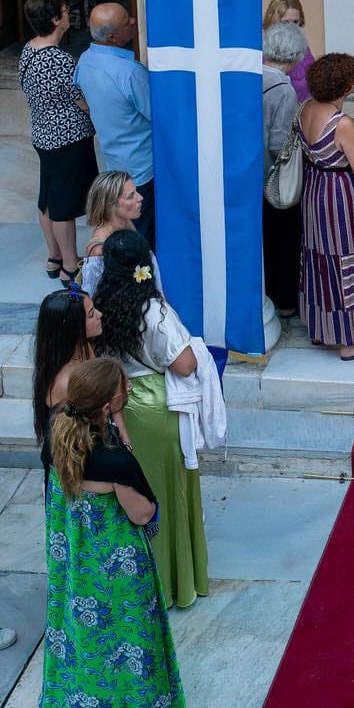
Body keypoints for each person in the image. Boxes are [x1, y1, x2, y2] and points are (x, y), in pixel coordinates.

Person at [41, 356, 183, 706]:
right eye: (124, 386)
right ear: (106, 405)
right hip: (116, 572)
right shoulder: (114, 459)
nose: (130, 386)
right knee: (129, 638)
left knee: (77, 635)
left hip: (73, 560)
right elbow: (142, 513)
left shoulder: (57, 429)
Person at [93, 229, 208, 610]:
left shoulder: (98, 308)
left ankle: (137, 586)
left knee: (131, 495)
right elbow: (185, 364)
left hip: (117, 406)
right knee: (166, 492)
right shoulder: (154, 313)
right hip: (155, 408)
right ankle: (174, 584)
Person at [298, 52, 354, 359]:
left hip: (313, 190)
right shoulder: (342, 123)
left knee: (319, 257)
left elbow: (320, 154)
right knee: (347, 260)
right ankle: (349, 342)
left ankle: (322, 329)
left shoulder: (305, 109)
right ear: (346, 86)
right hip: (339, 198)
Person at [18, 0, 97, 289]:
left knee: (48, 199)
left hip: (43, 133)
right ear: (55, 20)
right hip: (67, 138)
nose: (69, 14)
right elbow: (81, 100)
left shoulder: (29, 49)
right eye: (65, 11)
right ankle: (69, 266)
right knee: (64, 204)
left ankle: (54, 256)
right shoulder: (59, 59)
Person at [74, 1, 156, 249]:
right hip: (142, 165)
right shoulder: (129, 72)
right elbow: (156, 114)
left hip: (112, 160)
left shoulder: (85, 60)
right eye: (126, 21)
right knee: (143, 234)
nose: (133, 20)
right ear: (112, 37)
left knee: (124, 224)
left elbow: (82, 99)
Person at [262, 19, 307, 317]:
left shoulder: (253, 75)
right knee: (285, 236)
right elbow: (279, 145)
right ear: (297, 54)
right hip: (272, 176)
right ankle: (286, 301)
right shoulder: (283, 89)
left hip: (249, 172)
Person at [32, 285, 104, 448]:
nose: (100, 315)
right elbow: (76, 441)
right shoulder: (66, 384)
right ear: (72, 327)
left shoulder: (84, 349)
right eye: (91, 314)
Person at [80, 170, 160, 298]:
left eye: (136, 191)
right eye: (131, 196)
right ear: (110, 205)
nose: (140, 198)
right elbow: (92, 296)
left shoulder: (126, 222)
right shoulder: (98, 251)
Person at [264, 0, 315, 103]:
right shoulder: (262, 48)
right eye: (285, 22)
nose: (291, 28)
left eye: (295, 22)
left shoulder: (303, 47)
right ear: (273, 20)